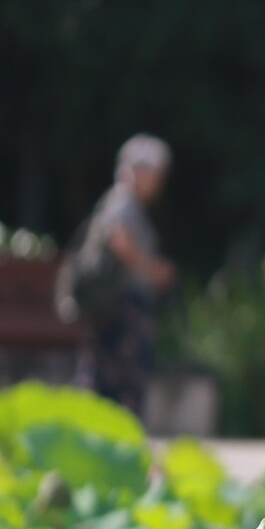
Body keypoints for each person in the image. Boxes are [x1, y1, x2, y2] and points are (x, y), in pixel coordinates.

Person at [70, 134, 176, 415]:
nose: (158, 182)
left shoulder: (122, 202)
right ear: (138, 171)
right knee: (120, 382)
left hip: (116, 306)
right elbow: (120, 243)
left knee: (103, 378)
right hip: (121, 308)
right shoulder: (122, 201)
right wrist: (154, 270)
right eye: (155, 173)